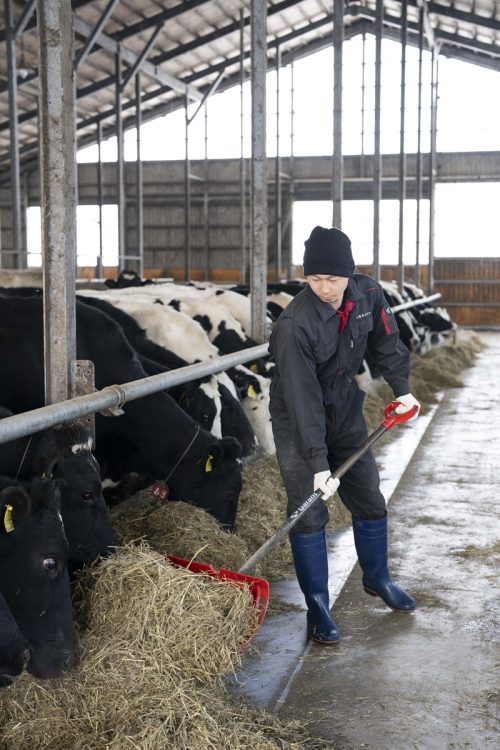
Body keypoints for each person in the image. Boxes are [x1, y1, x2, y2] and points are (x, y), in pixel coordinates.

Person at [268, 225, 421, 645]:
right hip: (299, 419)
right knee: (308, 508)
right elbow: (301, 400)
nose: (324, 288)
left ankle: (377, 577)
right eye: (315, 278)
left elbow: (388, 343)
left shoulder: (367, 295)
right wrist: (318, 463)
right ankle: (317, 604)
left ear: (350, 275)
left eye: (333, 279)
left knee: (369, 494)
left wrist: (403, 390)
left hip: (345, 407)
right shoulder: (294, 325)